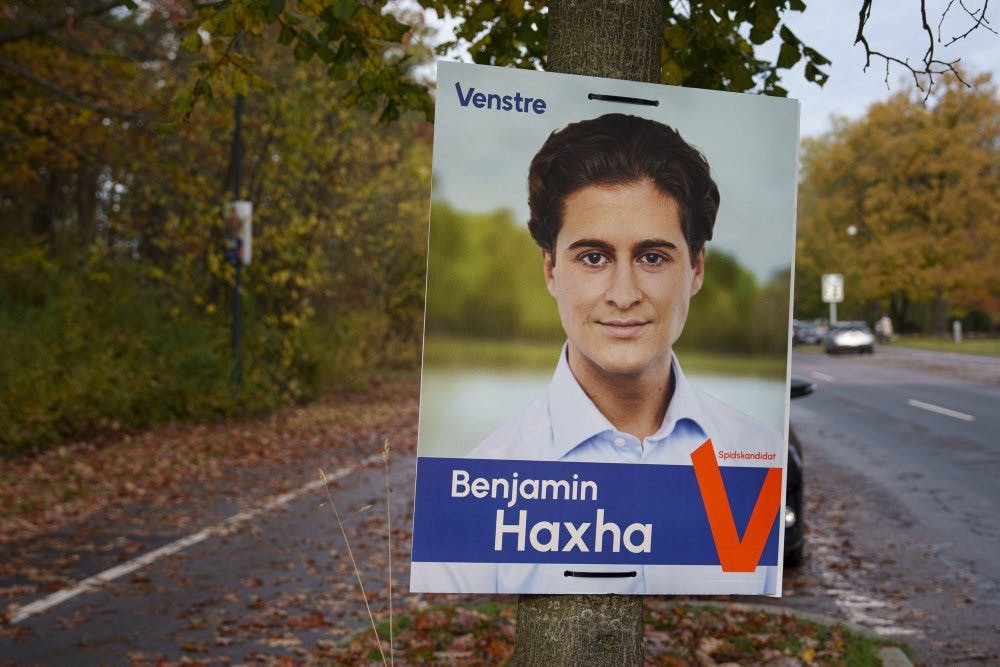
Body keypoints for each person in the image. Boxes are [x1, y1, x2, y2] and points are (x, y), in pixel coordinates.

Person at [411, 113, 782, 594]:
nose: (623, 294)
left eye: (652, 257)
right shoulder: (476, 489)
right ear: (550, 269)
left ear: (695, 270)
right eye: (593, 257)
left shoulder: (759, 461)